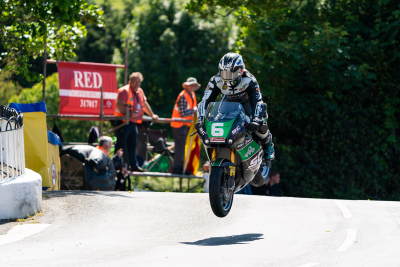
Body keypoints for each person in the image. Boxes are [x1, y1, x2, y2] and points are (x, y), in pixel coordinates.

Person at [195, 52, 275, 171]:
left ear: (240, 71)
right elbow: (205, 101)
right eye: (224, 73)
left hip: (248, 102)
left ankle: (268, 146)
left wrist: (256, 120)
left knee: (260, 123)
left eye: (230, 73)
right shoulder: (215, 80)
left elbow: (257, 100)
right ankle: (218, 150)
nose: (227, 77)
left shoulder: (249, 79)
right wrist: (201, 119)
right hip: (229, 102)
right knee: (217, 120)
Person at [114, 72, 159, 172]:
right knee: (120, 144)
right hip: (122, 121)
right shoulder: (124, 91)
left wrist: (152, 114)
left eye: (139, 82)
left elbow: (144, 103)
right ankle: (117, 164)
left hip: (132, 122)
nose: (137, 84)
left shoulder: (140, 91)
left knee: (133, 143)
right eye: (135, 82)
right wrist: (129, 114)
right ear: (130, 81)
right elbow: (119, 105)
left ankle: (134, 166)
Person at [170, 77, 200, 174]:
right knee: (180, 148)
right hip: (178, 124)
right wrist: (194, 110)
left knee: (184, 147)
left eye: (194, 85)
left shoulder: (192, 95)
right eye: (191, 85)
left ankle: (182, 168)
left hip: (185, 125)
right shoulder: (183, 96)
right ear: (186, 86)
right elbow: (183, 113)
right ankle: (176, 168)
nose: (192, 87)